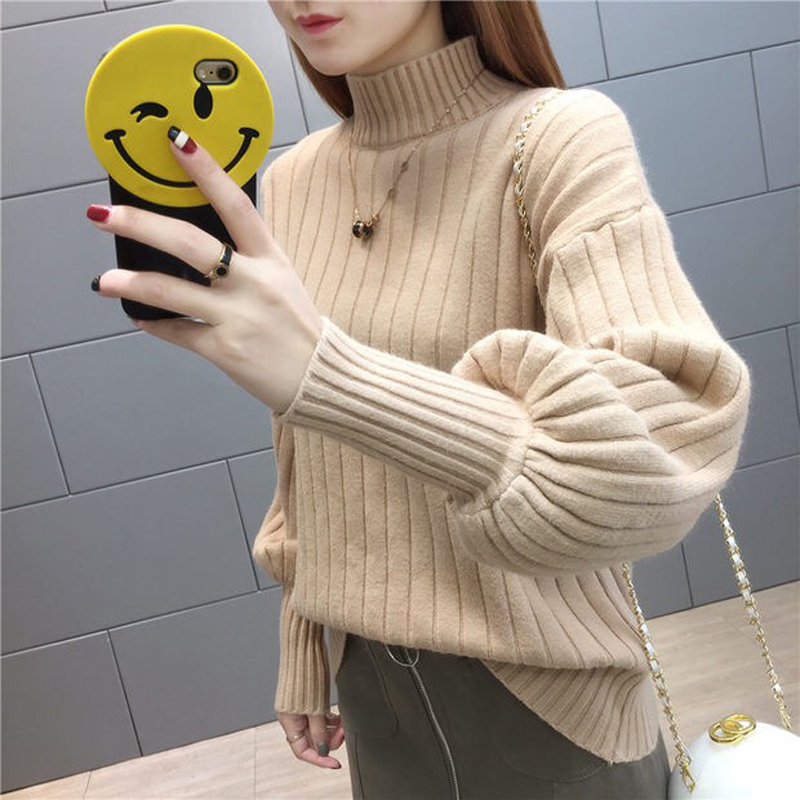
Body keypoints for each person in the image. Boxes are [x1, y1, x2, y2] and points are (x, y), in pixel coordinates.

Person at [87, 1, 752, 797]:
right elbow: (306, 454)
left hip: (547, 703)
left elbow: (662, 453)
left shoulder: (559, 137)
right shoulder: (292, 179)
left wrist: (333, 375)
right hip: (376, 698)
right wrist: (303, 642)